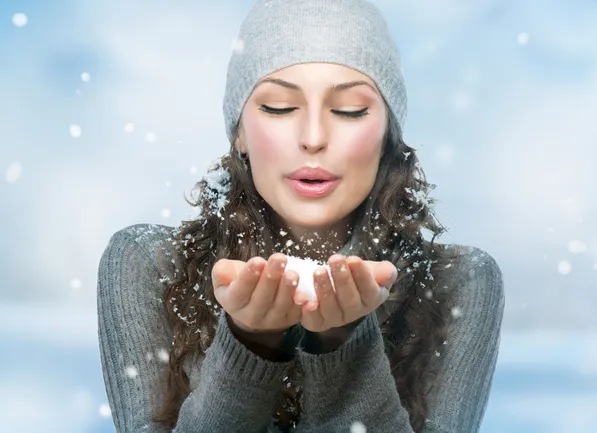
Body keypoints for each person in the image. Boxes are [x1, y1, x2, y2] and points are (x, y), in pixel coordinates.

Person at [97, 0, 505, 432]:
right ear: (239, 135)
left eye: (349, 110)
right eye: (278, 107)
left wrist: (344, 343)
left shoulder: (458, 282)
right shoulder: (150, 264)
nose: (313, 138)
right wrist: (251, 343)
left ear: (388, 136)